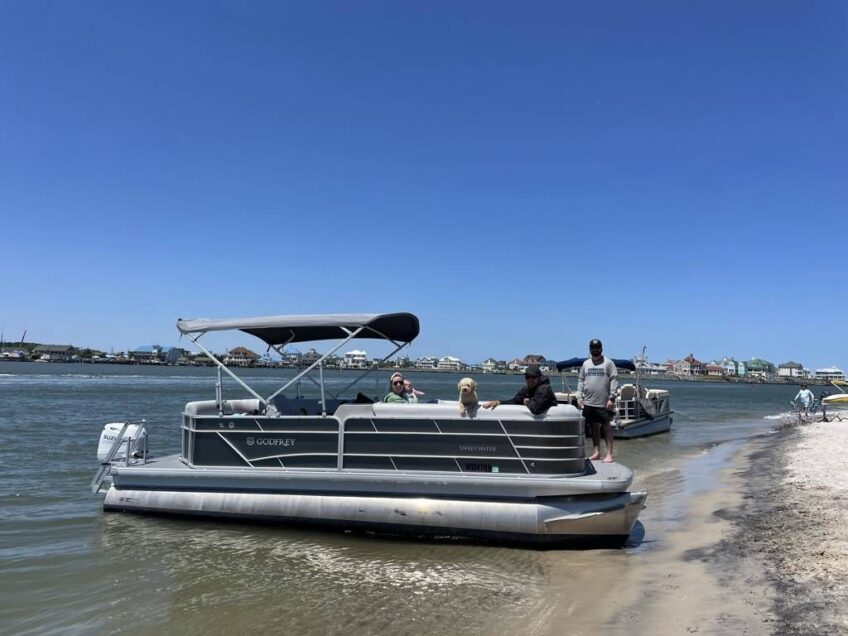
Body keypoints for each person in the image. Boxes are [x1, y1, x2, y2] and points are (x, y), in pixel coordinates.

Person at [577, 339, 619, 463]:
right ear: (589, 349)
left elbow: (614, 379)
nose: (595, 349)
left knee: (606, 427)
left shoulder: (608, 363)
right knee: (593, 427)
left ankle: (609, 454)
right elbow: (580, 381)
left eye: (597, 347)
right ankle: (596, 452)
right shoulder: (586, 364)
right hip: (589, 402)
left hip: (604, 402)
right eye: (592, 347)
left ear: (601, 348)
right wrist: (579, 397)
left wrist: (612, 398)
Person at [482, 365, 557, 415]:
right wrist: (499, 402)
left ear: (539, 377)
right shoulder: (527, 388)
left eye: (533, 377)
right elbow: (515, 401)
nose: (530, 380)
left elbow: (536, 409)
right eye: (527, 377)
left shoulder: (544, 388)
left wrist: (527, 402)